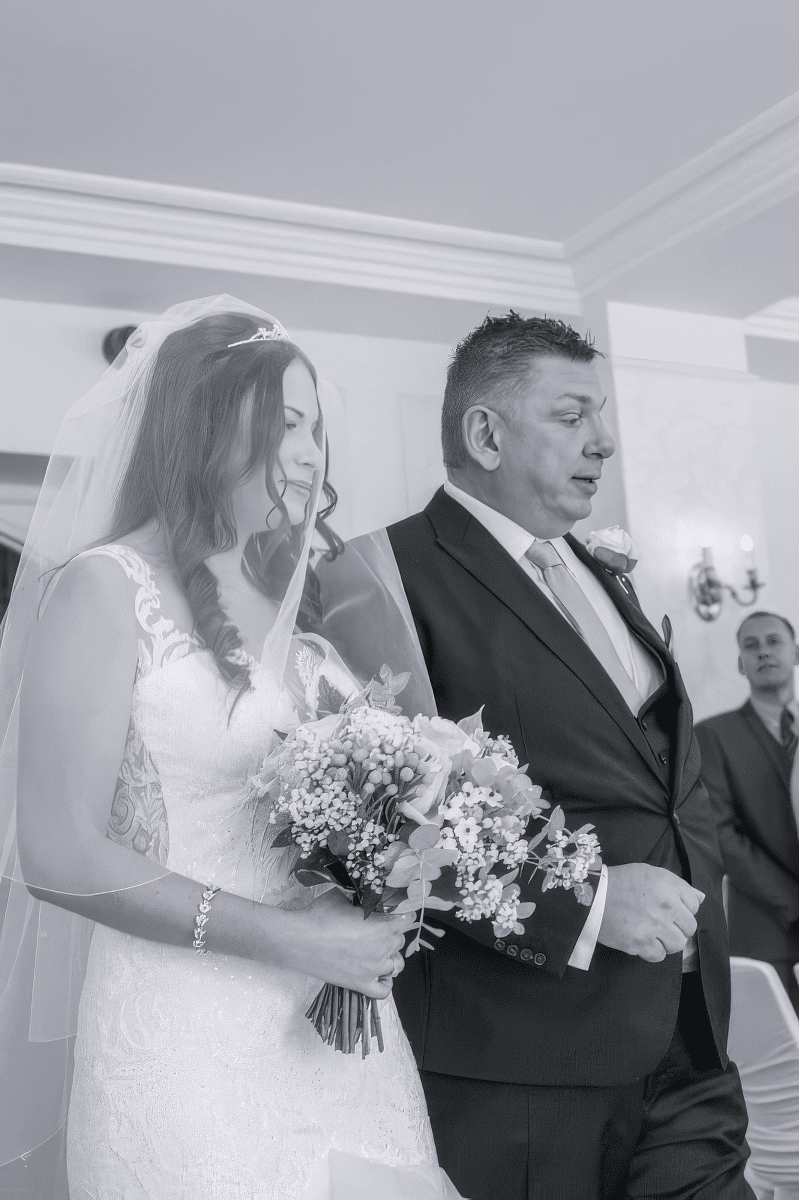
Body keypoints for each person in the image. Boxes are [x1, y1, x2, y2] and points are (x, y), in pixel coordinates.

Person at [0, 298, 461, 1200]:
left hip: (335, 1039)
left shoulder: (309, 609)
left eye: (316, 427)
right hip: (183, 1037)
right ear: (205, 422)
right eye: (286, 420)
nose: (308, 450)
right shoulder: (101, 589)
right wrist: (291, 939)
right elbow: (55, 852)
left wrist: (403, 863)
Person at [387, 313, 753, 1200]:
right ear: (484, 433)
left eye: (604, 415)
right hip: (523, 1056)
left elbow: (662, 775)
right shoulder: (387, 574)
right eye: (572, 414)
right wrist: (584, 905)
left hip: (687, 1034)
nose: (606, 441)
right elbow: (380, 822)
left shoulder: (597, 566)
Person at [696, 611, 799, 1014]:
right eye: (750, 645)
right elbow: (721, 835)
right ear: (740, 663)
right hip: (766, 929)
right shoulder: (713, 736)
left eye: (774, 641)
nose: (763, 652)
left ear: (795, 652)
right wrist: (792, 904)